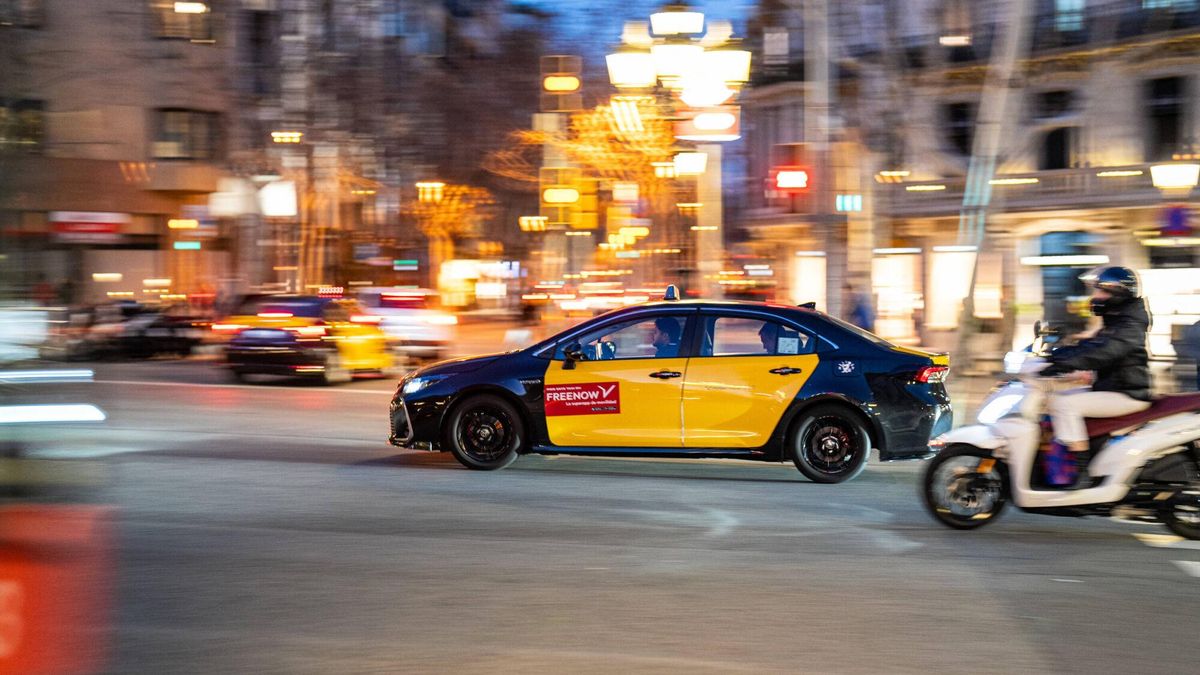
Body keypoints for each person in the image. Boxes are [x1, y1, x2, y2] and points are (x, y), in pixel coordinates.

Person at [1039, 266, 1152, 481]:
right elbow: (1093, 346)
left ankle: (1081, 473)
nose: (1095, 297)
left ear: (1117, 294)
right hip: (1113, 387)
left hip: (1128, 394)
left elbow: (1106, 351)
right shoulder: (1118, 320)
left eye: (1100, 291)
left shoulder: (1129, 324)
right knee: (1055, 398)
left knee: (1064, 404)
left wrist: (1064, 364)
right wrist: (1054, 355)